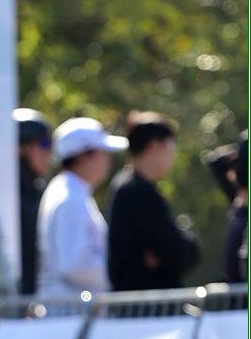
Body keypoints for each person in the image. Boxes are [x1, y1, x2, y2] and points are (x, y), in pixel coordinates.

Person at [107, 112, 200, 291]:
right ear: (155, 146)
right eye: (171, 148)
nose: (173, 156)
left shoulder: (130, 185)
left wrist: (166, 252)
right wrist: (176, 249)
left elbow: (173, 249)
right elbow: (178, 253)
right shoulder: (136, 191)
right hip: (143, 304)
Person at [37, 116, 128, 297]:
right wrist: (120, 271)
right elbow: (75, 264)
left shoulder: (71, 191)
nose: (108, 158)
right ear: (81, 155)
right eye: (103, 151)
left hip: (72, 307)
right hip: (72, 309)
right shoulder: (69, 197)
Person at [14, 108, 54, 296]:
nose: (49, 151)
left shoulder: (36, 191)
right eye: (44, 143)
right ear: (21, 148)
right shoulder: (11, 195)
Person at [204, 129, 248, 284]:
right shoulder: (244, 218)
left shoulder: (239, 207)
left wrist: (241, 152)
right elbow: (216, 162)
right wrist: (241, 152)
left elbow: (216, 163)